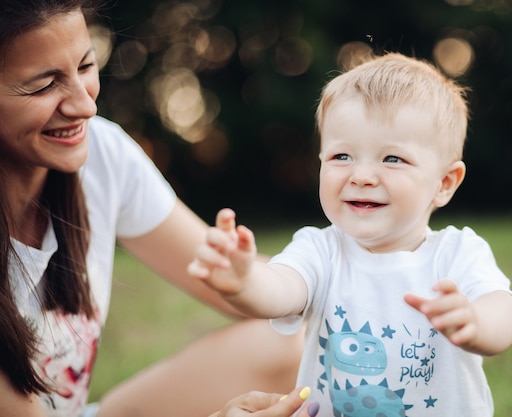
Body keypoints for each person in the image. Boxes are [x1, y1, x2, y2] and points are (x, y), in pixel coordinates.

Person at [0, 0, 311, 416]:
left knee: (293, 338)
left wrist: (383, 282)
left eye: (86, 66)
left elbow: (237, 283)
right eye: (43, 85)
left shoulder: (102, 153)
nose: (85, 105)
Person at [188, 52, 512, 416]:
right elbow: (281, 289)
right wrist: (245, 281)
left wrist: (475, 321)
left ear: (444, 183)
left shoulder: (457, 253)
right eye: (342, 156)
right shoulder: (321, 250)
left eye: (392, 159)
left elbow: (502, 312)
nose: (361, 175)